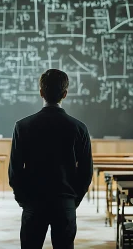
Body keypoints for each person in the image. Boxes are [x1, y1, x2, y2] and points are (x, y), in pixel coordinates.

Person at [8, 69, 93, 249]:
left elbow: (15, 170)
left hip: (34, 202)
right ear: (65, 94)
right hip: (64, 202)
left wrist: (23, 200)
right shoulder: (79, 128)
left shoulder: (22, 126)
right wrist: (73, 200)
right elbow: (86, 172)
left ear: (41, 93)